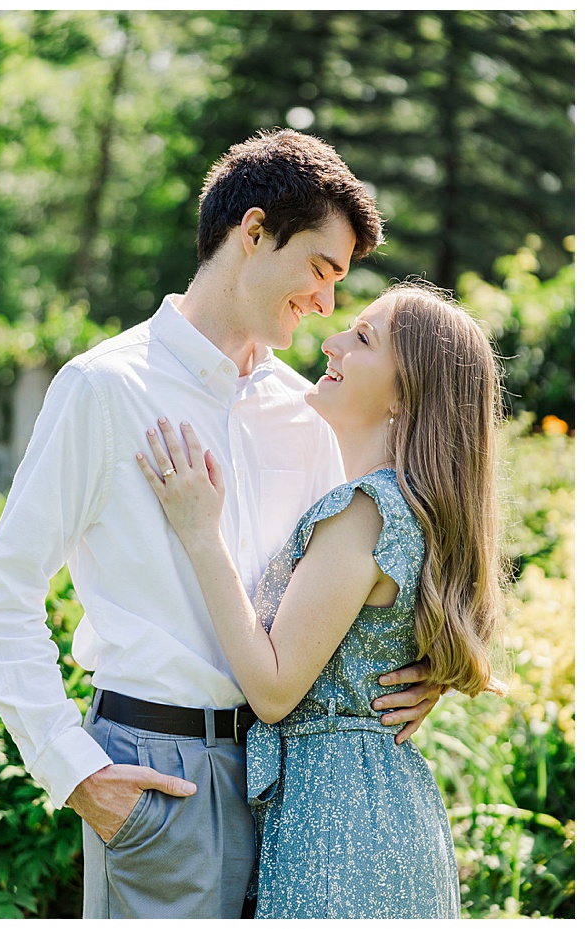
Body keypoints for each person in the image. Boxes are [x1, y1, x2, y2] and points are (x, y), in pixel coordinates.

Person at [0, 129, 448, 918]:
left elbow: (350, 587)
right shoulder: (105, 388)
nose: (328, 304)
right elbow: (3, 597)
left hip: (297, 789)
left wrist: (416, 674)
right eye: (321, 271)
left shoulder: (307, 412)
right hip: (158, 780)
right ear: (252, 233)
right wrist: (75, 770)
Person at [135, 283, 501, 917]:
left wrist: (200, 532)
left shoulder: (363, 513)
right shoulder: (412, 509)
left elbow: (274, 691)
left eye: (362, 339)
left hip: (339, 826)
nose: (329, 340)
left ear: (403, 394)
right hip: (386, 809)